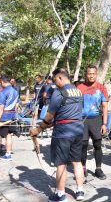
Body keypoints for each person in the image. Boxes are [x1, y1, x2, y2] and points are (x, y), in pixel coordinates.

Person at [30, 68, 85, 201]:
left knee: (61, 164)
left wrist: (38, 129)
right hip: (78, 131)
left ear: (60, 77)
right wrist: (54, 122)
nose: (55, 84)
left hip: (63, 133)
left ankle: (60, 194)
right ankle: (80, 191)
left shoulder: (59, 92)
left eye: (55, 80)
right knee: (77, 162)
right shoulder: (78, 91)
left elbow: (49, 115)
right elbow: (73, 111)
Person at [77, 65, 108, 180]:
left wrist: (104, 124)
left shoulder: (101, 88)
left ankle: (98, 169)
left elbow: (105, 106)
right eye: (89, 73)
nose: (91, 76)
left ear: (96, 74)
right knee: (83, 145)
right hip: (82, 121)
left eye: (93, 74)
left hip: (96, 120)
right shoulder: (79, 87)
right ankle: (83, 168)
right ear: (86, 74)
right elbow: (75, 106)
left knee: (97, 145)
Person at [0, 75, 19, 163]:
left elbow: (0, 107)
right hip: (12, 115)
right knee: (9, 135)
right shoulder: (15, 91)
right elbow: (17, 105)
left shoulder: (3, 92)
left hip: (4, 116)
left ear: (2, 81)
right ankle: (8, 154)